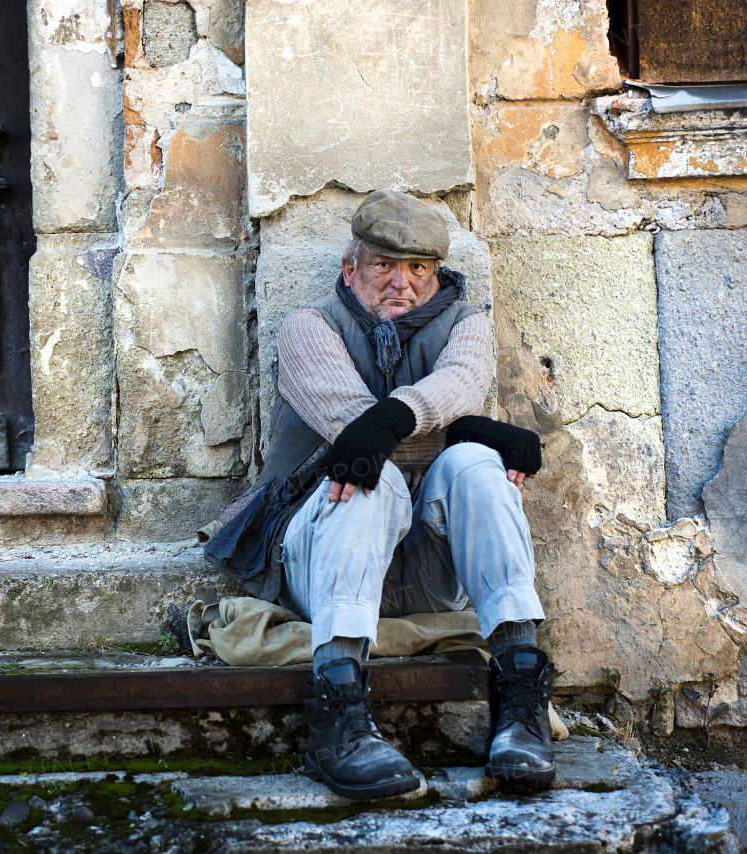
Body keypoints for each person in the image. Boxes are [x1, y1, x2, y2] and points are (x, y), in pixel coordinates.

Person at [203, 190, 555, 799]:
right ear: (351, 269)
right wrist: (451, 421)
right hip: (328, 555)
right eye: (384, 266)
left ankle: (520, 699)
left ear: (436, 273)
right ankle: (338, 714)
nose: (402, 283)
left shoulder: (466, 325)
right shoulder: (308, 330)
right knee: (372, 471)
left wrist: (461, 433)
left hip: (423, 572)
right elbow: (357, 428)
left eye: (418, 268)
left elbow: (464, 379)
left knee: (475, 465)